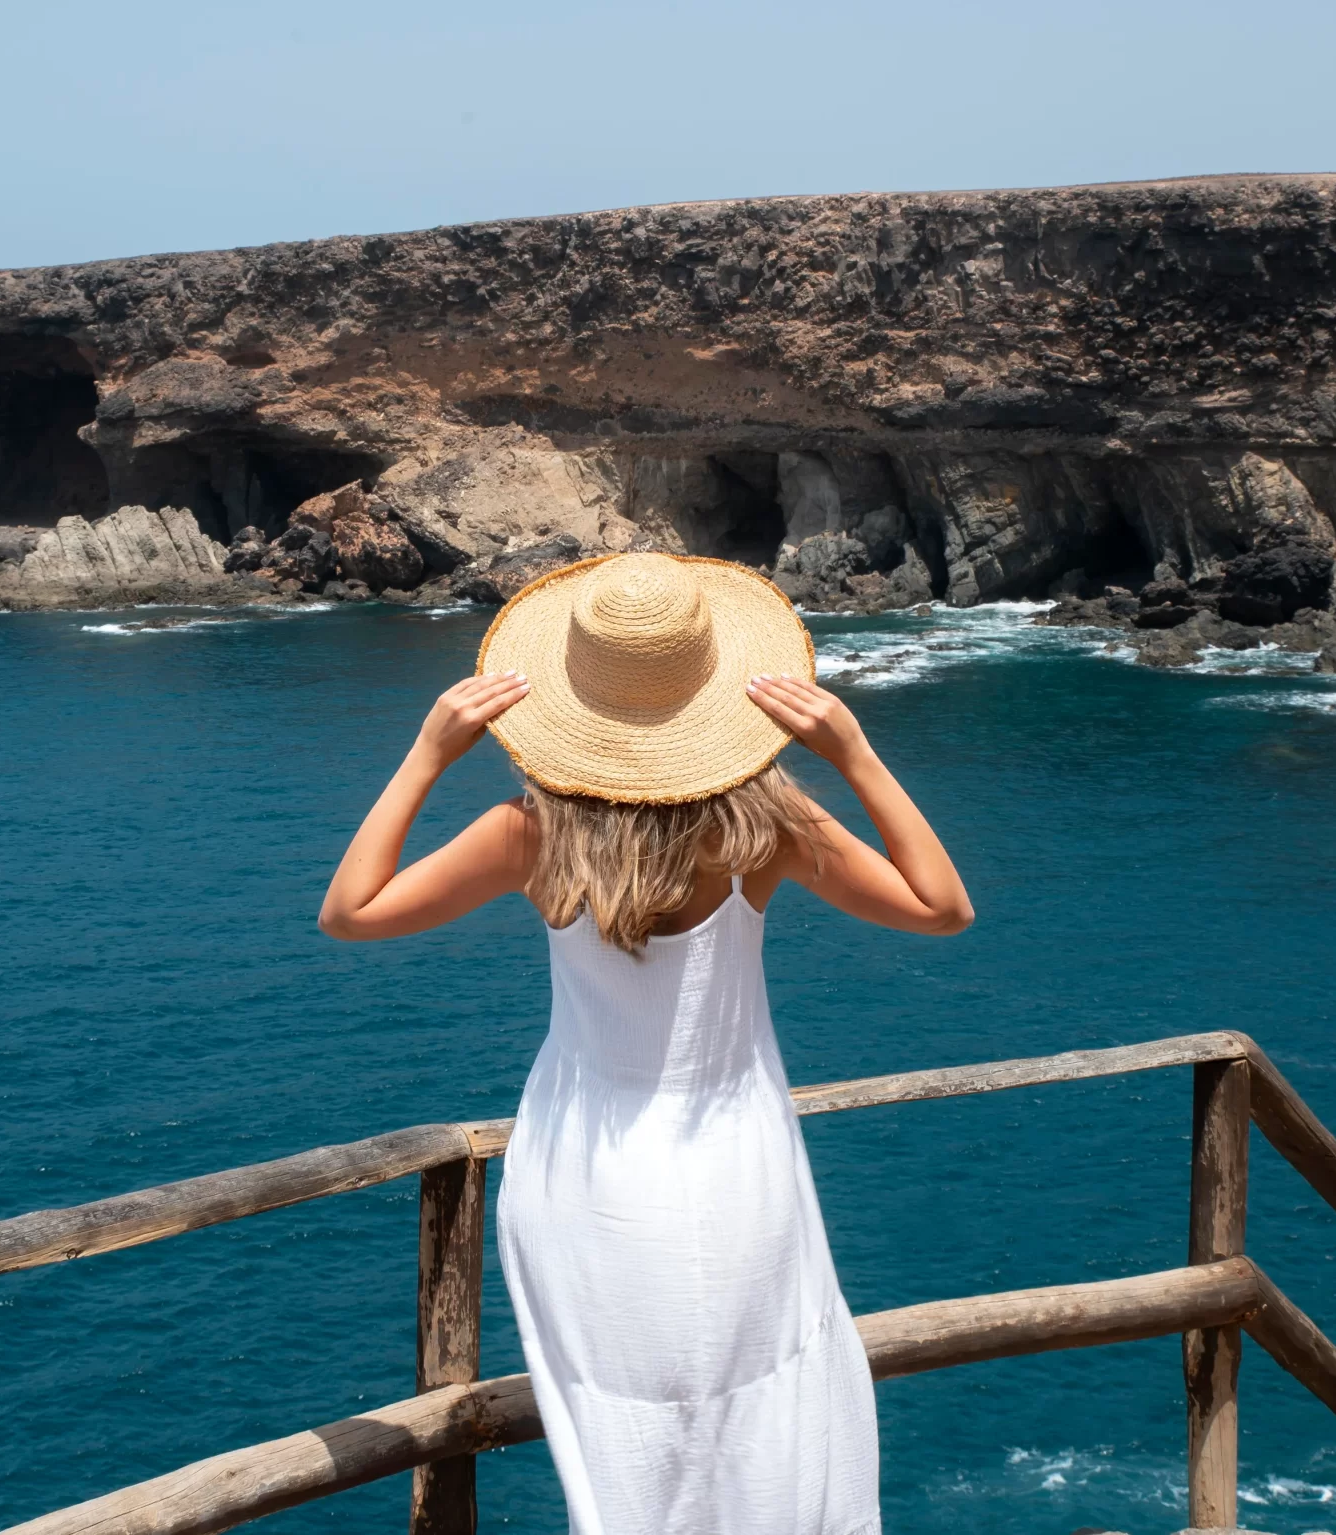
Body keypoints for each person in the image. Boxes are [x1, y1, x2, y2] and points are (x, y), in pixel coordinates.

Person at [319, 551, 972, 1535]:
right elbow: (942, 907)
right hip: (735, 1162)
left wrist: (426, 751)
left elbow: (350, 911)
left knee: (620, 1436)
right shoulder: (765, 824)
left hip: (585, 1174)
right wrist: (854, 750)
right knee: (764, 1406)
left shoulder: (527, 834)